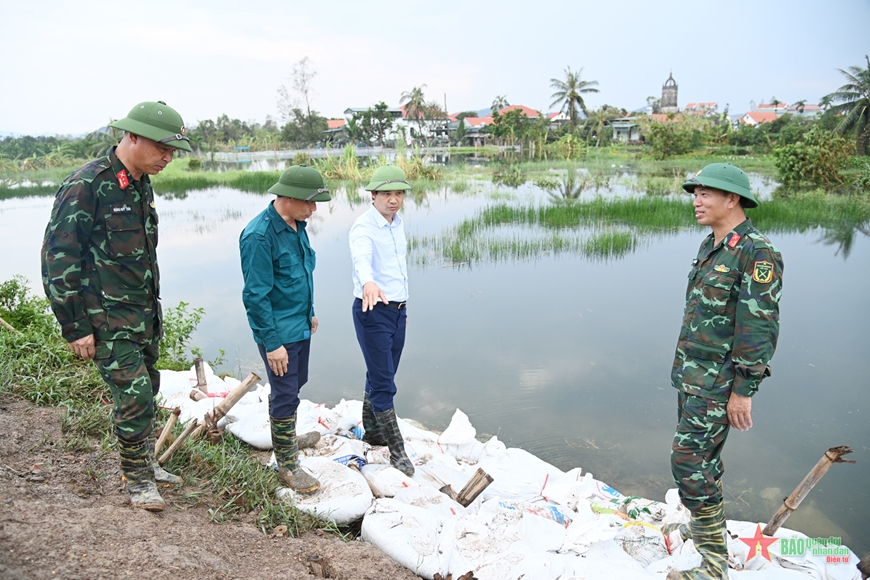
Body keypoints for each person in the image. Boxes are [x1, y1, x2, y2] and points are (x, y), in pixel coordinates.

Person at [41, 101, 193, 511]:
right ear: (132, 136)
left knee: (151, 388)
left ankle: (144, 462)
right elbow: (58, 260)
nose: (168, 157)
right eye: (162, 147)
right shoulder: (86, 185)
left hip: (142, 314)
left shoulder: (140, 183)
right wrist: (74, 326)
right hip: (105, 320)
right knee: (135, 397)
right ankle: (138, 480)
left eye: (173, 150)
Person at [668, 163, 784, 580]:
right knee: (703, 462)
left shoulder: (757, 252)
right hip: (693, 377)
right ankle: (709, 533)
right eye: (694, 193)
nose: (696, 201)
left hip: (718, 384)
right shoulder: (712, 244)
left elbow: (758, 327)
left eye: (705, 193)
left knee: (688, 463)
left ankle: (714, 564)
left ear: (731, 198)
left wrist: (744, 390)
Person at [239, 165, 330, 494]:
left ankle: (287, 438)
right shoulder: (259, 236)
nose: (315, 208)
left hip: (300, 325)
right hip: (278, 333)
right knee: (284, 392)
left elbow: (300, 273)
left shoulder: (297, 225)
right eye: (311, 201)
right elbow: (255, 295)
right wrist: (272, 343)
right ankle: (288, 465)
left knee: (294, 385)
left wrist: (311, 312)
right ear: (289, 198)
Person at [349, 165, 415, 476]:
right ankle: (396, 451)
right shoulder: (363, 227)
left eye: (399, 193)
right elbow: (362, 260)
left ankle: (372, 431)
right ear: (373, 195)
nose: (393, 200)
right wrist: (368, 283)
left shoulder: (398, 224)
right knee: (385, 382)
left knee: (381, 372)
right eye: (387, 194)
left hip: (398, 310)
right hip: (372, 308)